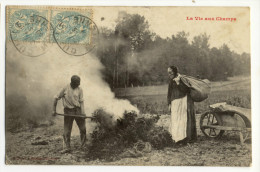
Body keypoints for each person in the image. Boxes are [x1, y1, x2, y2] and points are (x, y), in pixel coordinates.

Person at [52, 75, 86, 153]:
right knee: (67, 130)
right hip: (68, 111)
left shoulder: (80, 89)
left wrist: (83, 113)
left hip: (78, 110)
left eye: (79, 83)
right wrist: (53, 110)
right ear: (72, 83)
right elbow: (56, 98)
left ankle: (83, 146)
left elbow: (81, 102)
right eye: (77, 83)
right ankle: (67, 147)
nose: (79, 84)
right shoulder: (65, 88)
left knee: (83, 129)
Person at [167, 66, 197, 145]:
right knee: (175, 120)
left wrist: (178, 83)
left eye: (170, 72)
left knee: (182, 121)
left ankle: (183, 139)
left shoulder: (181, 79)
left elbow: (185, 91)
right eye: (168, 73)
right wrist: (169, 104)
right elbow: (169, 93)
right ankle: (176, 138)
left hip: (182, 102)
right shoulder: (171, 81)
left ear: (174, 71)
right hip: (174, 103)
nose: (169, 74)